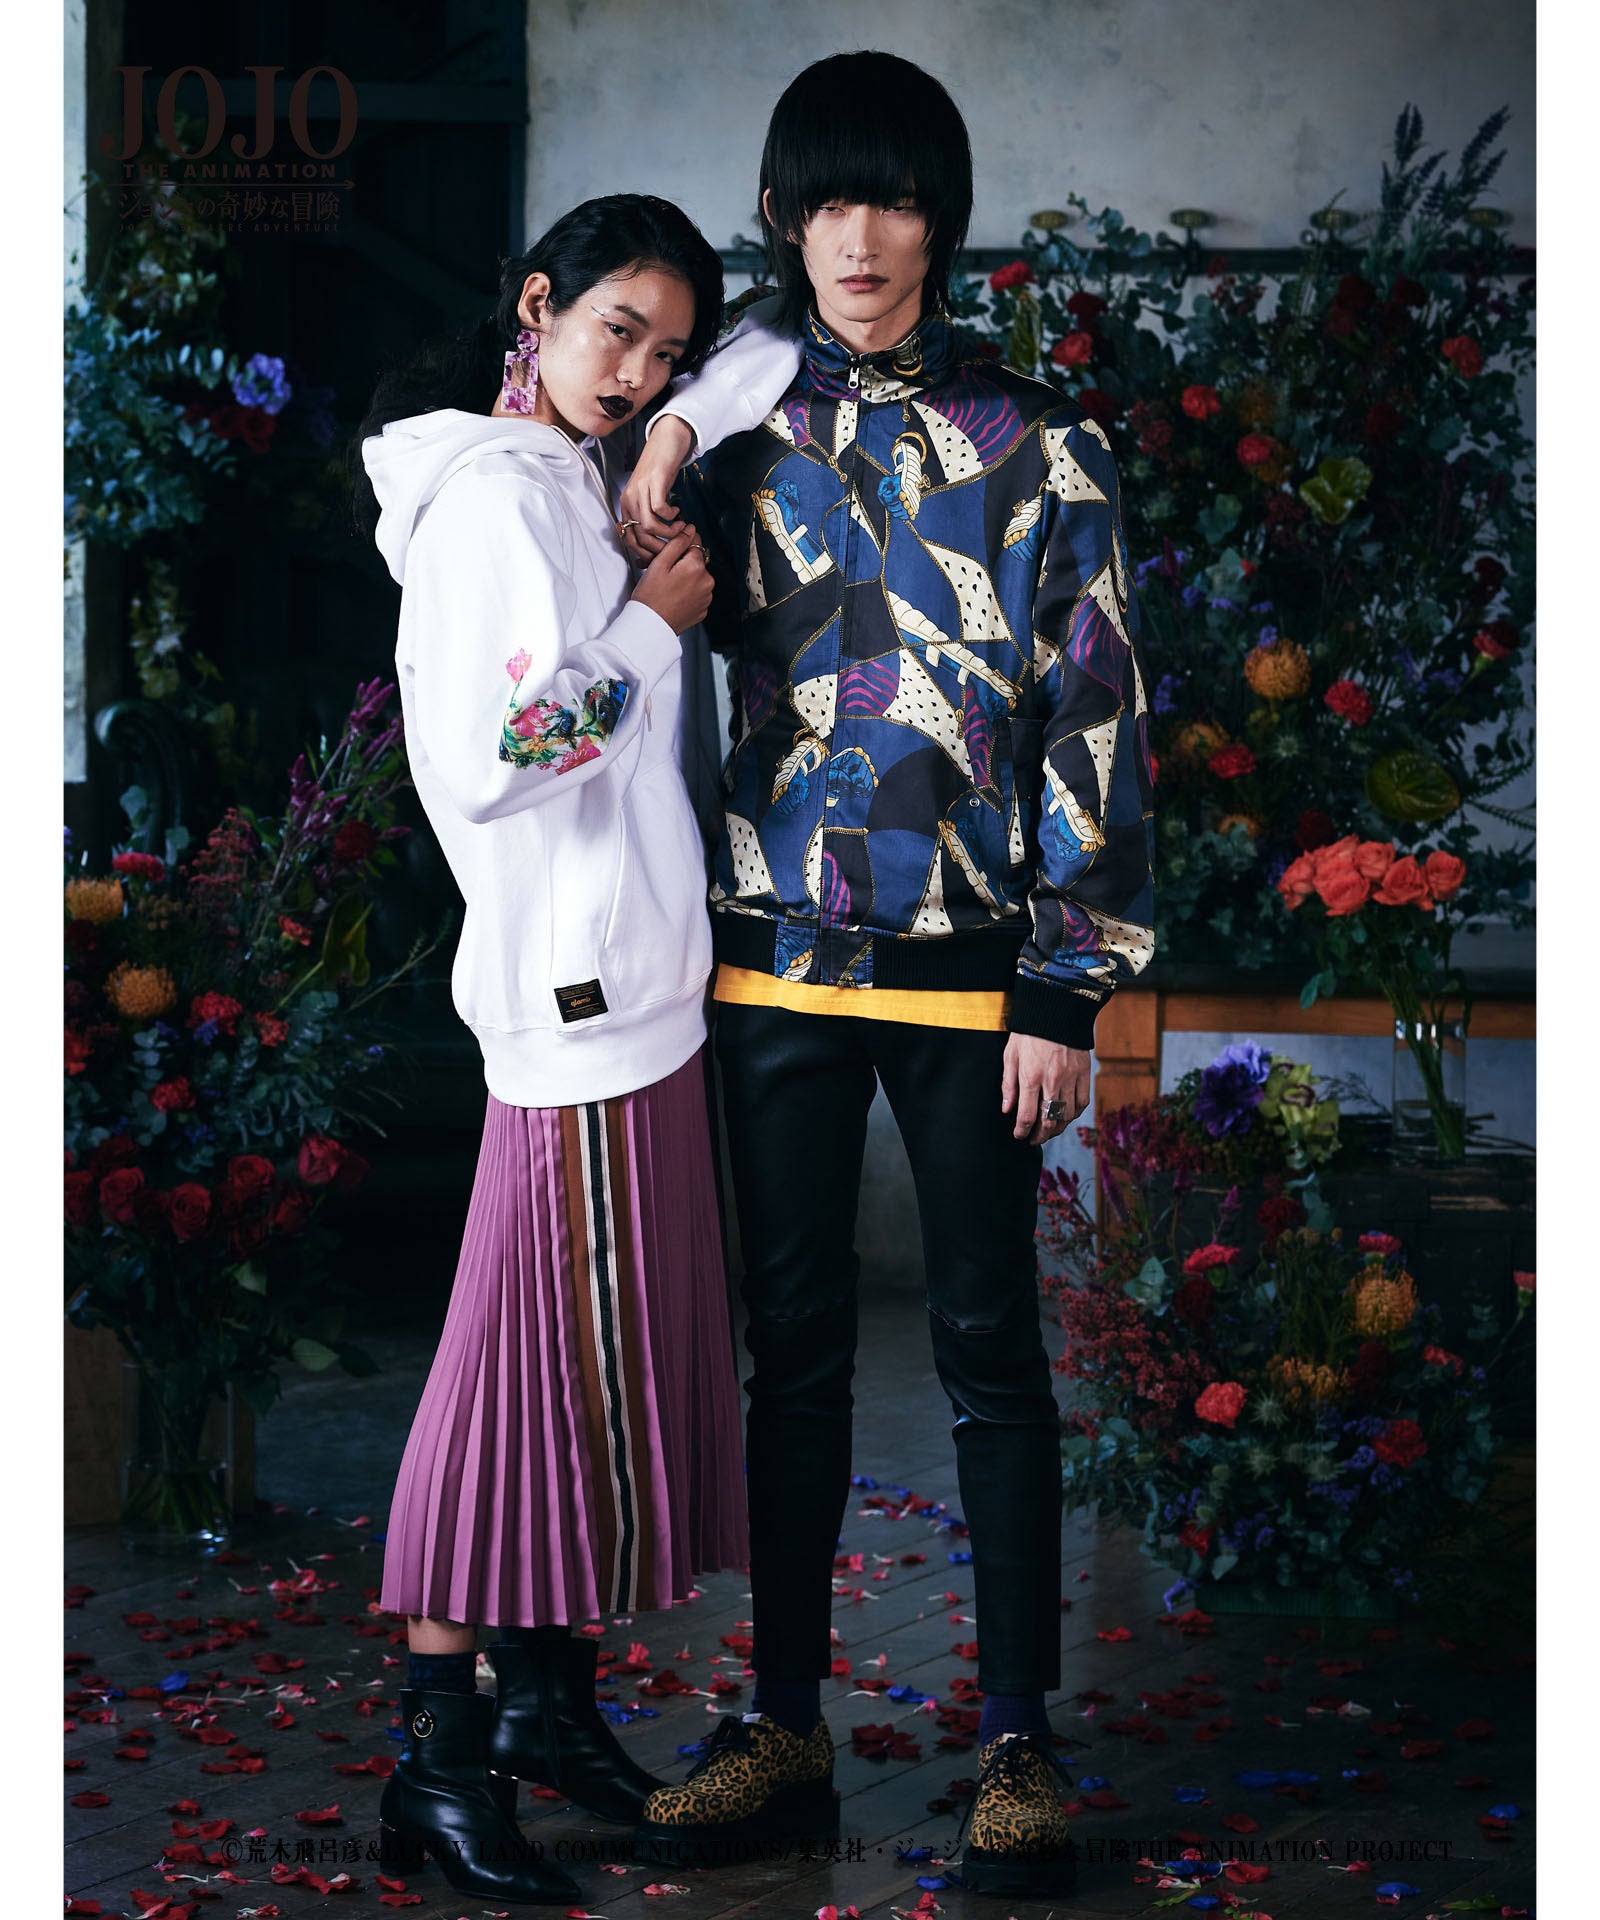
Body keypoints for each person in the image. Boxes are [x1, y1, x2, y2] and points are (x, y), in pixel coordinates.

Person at [618, 54, 1156, 1897]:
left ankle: (1017, 1740)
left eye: (897, 200)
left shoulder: (1043, 443)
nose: (861, 239)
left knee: (993, 1352)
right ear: (784, 219)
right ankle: (782, 1728)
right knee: (790, 1358)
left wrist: (1067, 987)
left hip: (970, 977)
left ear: (943, 220)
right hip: (766, 958)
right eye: (829, 203)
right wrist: (666, 440)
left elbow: (1096, 713)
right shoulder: (723, 428)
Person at [355, 193, 795, 1905]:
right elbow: (488, 758)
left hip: (644, 1000)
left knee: (595, 1392)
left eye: (665, 352)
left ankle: (543, 1711)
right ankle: (437, 1760)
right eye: (617, 332)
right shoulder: (486, 500)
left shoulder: (576, 470)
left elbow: (776, 343)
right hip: (575, 1010)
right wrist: (648, 628)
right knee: (511, 1390)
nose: (639, 373)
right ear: (535, 305)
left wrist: (676, 424)